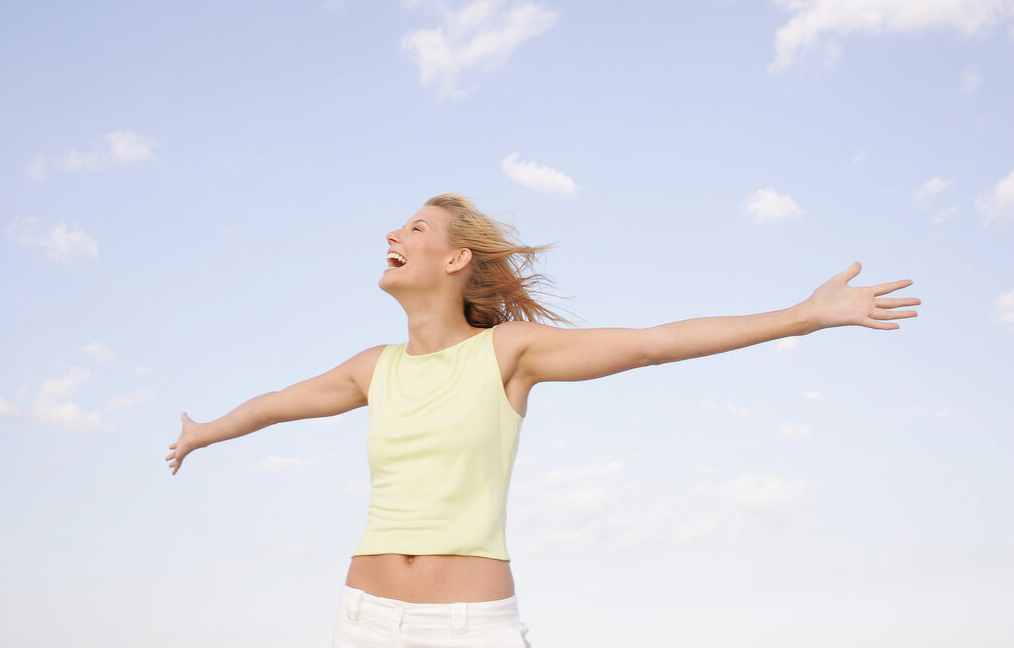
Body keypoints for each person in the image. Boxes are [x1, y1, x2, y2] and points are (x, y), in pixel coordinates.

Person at [166, 193, 919, 647]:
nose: (393, 235)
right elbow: (273, 404)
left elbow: (651, 344)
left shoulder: (508, 353)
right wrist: (203, 431)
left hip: (471, 625)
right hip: (362, 619)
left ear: (458, 258)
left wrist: (801, 316)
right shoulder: (374, 367)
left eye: (415, 228)